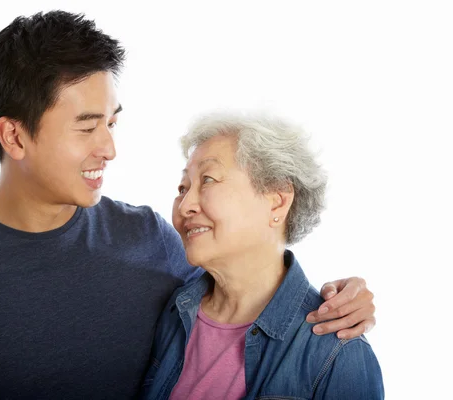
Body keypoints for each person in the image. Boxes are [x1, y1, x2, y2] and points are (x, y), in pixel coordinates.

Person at [0, 11, 376, 400]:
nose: (109, 148)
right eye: (86, 127)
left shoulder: (150, 240)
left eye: (112, 123)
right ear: (14, 136)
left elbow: (245, 287)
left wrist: (342, 299)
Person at [139, 112, 384, 399]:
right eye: (183, 188)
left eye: (208, 179)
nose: (184, 206)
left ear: (277, 202)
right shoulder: (172, 312)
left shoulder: (337, 352)